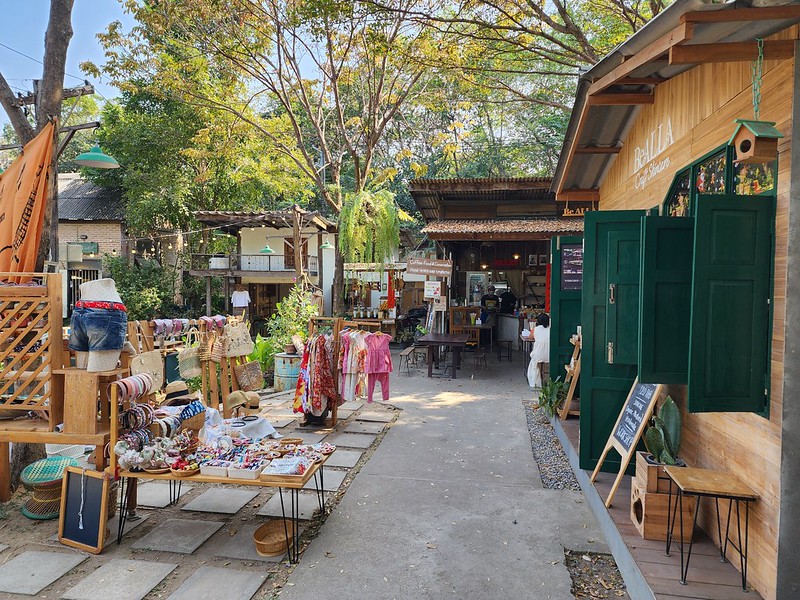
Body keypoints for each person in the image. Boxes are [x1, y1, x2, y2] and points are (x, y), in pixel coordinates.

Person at [527, 312, 550, 389]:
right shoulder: (551, 330)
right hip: (549, 355)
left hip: (538, 355)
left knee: (533, 362)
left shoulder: (535, 329)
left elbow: (530, 337)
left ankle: (535, 382)